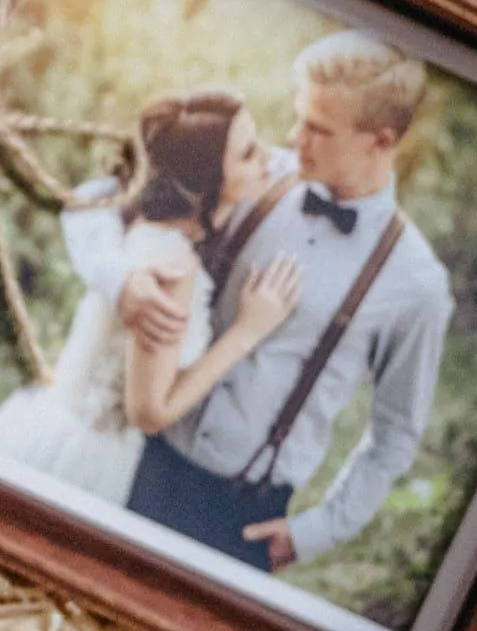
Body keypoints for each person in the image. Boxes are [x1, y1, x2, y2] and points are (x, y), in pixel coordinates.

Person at [122, 30, 456, 574]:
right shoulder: (253, 173)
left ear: (381, 139)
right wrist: (126, 280)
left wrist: (318, 530)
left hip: (239, 516)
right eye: (300, 117)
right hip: (143, 458)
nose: (293, 137)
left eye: (318, 129)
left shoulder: (415, 282)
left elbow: (396, 435)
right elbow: (122, 204)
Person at [0, 88, 304, 505]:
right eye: (248, 154)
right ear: (205, 185)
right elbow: (148, 412)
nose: (267, 160)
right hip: (83, 463)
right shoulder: (171, 266)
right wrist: (247, 331)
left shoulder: (141, 222)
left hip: (52, 429)